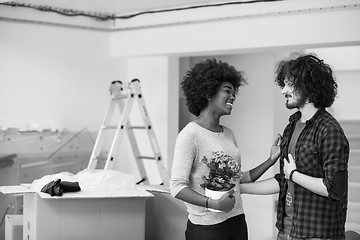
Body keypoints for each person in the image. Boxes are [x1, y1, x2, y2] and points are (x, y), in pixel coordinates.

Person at [240, 53, 349, 240]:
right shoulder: (291, 126)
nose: (283, 91)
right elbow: (284, 181)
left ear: (307, 86)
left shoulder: (329, 130)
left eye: (289, 84)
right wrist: (240, 188)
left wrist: (294, 175)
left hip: (317, 234)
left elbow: (335, 189)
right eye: (283, 84)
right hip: (287, 230)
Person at [170, 59, 281, 240]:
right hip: (207, 228)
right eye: (227, 91)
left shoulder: (228, 134)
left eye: (234, 92)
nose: (233, 97)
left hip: (237, 220)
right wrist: (213, 203)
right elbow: (176, 186)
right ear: (208, 93)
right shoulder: (190, 135)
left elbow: (239, 178)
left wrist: (270, 160)